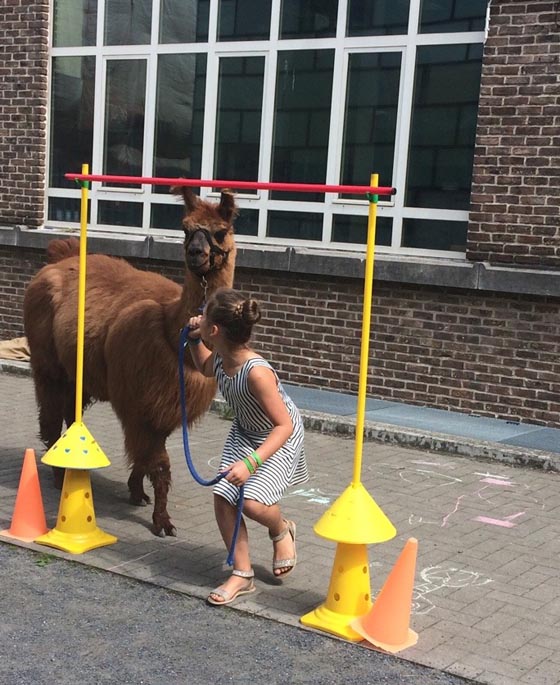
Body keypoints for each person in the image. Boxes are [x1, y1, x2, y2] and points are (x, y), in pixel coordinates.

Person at [187, 287, 309, 606]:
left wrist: (250, 463)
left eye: (203, 317)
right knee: (224, 496)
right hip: (246, 431)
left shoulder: (256, 373)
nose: (198, 318)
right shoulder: (221, 356)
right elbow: (204, 368)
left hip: (278, 436)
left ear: (215, 330)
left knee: (252, 503)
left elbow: (284, 425)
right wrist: (194, 340)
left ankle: (281, 529)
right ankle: (242, 573)